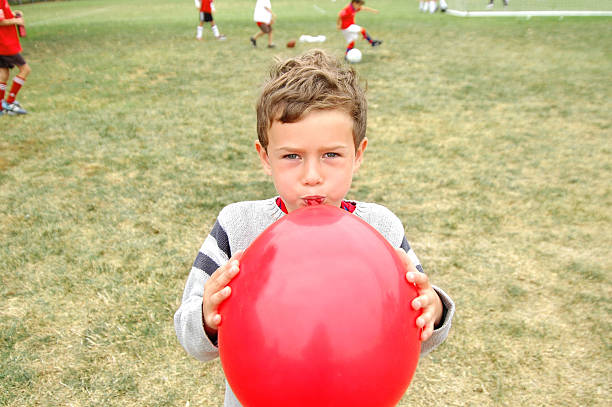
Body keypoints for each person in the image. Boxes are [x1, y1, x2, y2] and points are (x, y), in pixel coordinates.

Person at [174, 49, 455, 407]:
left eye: (331, 155)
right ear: (265, 157)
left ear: (359, 153)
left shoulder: (381, 229)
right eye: (292, 156)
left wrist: (434, 308)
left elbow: (419, 334)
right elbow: (189, 334)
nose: (311, 176)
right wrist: (207, 317)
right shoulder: (238, 226)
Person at [0, 0, 30, 115]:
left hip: (4, 43)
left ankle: (1, 106)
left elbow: (2, 14)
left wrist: (12, 13)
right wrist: (16, 20)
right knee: (25, 69)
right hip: (5, 43)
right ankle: (10, 102)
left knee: (3, 74)